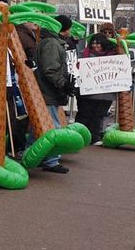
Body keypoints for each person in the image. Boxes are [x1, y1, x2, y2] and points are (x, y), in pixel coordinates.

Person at [32, 15, 75, 173]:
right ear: (65, 29)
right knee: (52, 126)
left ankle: (33, 154)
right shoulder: (52, 44)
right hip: (48, 91)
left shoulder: (50, 42)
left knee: (39, 127)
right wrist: (63, 84)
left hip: (46, 90)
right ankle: (51, 161)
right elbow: (51, 69)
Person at [75, 33, 118, 145]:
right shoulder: (84, 54)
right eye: (93, 43)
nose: (95, 45)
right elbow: (76, 69)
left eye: (98, 43)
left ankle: (94, 137)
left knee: (98, 116)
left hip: (106, 93)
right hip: (88, 91)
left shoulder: (114, 55)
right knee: (84, 114)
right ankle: (78, 136)